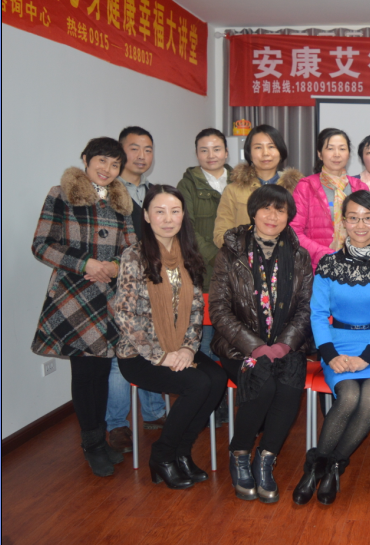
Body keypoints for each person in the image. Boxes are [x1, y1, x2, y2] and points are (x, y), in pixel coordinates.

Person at [30, 137, 136, 477]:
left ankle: (100, 440)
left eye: (115, 164)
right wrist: (85, 263)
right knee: (85, 372)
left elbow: (132, 249)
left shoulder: (122, 201)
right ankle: (91, 444)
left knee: (102, 372)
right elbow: (41, 244)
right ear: (86, 159)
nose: (107, 169)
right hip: (73, 298)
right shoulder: (61, 195)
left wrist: (116, 267)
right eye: (101, 161)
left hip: (109, 298)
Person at [112, 185, 228, 490]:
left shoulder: (188, 254)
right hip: (140, 354)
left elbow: (196, 308)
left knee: (216, 379)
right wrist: (161, 356)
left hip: (179, 346)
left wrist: (188, 349)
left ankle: (181, 453)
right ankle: (162, 456)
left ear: (183, 216)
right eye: (160, 211)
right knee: (197, 384)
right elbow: (125, 314)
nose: (168, 219)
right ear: (147, 216)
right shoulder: (134, 256)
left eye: (175, 211)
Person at [293, 191, 370, 506]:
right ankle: (318, 468)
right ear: (343, 221)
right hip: (337, 345)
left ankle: (329, 466)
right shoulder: (328, 264)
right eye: (353, 218)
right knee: (350, 396)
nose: (360, 224)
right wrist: (330, 355)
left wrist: (366, 357)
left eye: (368, 218)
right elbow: (317, 314)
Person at [210, 185, 313, 504]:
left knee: (289, 387)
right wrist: (255, 346)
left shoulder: (299, 255)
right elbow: (219, 309)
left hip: (286, 345)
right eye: (265, 208)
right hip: (239, 346)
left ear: (289, 216)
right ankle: (240, 454)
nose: (272, 215)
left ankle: (266, 458)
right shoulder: (230, 253)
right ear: (253, 212)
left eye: (280, 210)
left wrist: (283, 345)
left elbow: (306, 308)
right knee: (264, 384)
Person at [107, 126, 167, 453]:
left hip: (154, 280)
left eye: (148, 149)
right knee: (124, 351)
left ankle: (154, 412)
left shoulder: (155, 191)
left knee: (152, 341)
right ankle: (117, 423)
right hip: (119, 283)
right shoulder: (109, 192)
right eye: (134, 148)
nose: (142, 156)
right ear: (120, 152)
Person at [178, 128, 234, 359]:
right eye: (204, 150)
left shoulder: (241, 181)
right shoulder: (187, 185)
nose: (211, 155)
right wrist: (216, 256)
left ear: (226, 152)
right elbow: (186, 227)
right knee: (206, 339)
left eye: (216, 149)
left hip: (238, 270)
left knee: (234, 338)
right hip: (203, 270)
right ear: (196, 154)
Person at [291, 128, 370, 270]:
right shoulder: (306, 186)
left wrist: (357, 255)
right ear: (320, 154)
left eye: (342, 149)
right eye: (330, 148)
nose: (336, 154)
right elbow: (294, 232)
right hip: (317, 268)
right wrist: (329, 256)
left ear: (348, 154)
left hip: (357, 266)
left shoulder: (360, 187)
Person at [213, 124, 302, 248]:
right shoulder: (232, 190)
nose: (265, 153)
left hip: (286, 256)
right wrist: (247, 252)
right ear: (249, 153)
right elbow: (221, 234)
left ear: (280, 152)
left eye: (271, 146)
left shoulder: (298, 189)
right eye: (258, 147)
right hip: (243, 256)